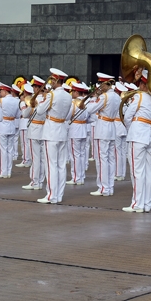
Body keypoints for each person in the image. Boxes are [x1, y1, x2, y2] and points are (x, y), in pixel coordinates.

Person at [122, 69, 151, 212]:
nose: (139, 86)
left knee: (136, 171)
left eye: (140, 83)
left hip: (138, 134)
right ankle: (147, 203)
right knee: (149, 171)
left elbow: (127, 116)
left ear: (144, 84)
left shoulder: (139, 97)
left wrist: (131, 128)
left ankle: (137, 204)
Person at [35, 69, 72, 204]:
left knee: (51, 165)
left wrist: (43, 98)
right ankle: (59, 195)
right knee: (61, 165)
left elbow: (39, 111)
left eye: (52, 80)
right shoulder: (68, 96)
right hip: (62, 130)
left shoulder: (51, 95)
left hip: (51, 131)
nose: (50, 82)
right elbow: (68, 115)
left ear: (56, 81)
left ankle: (51, 195)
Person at [84, 73, 119, 197]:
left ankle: (103, 187)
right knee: (110, 159)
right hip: (111, 127)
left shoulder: (104, 97)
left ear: (105, 84)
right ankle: (109, 187)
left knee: (101, 160)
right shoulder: (117, 96)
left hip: (102, 128)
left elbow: (89, 109)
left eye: (101, 84)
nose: (99, 86)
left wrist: (94, 99)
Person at [22, 79, 46, 191]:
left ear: (37, 88)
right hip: (44, 130)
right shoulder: (47, 99)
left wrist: (29, 106)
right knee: (42, 158)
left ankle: (34, 182)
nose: (33, 89)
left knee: (35, 158)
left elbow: (25, 114)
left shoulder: (34, 100)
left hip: (34, 130)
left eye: (34, 87)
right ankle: (40, 180)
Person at [0, 83, 20, 179]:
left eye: (1, 91)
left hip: (2, 126)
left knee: (2, 150)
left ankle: (2, 171)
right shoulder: (16, 101)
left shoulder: (1, 101)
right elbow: (18, 115)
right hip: (12, 125)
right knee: (10, 150)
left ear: (5, 91)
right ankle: (8, 171)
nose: (0, 93)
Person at [67, 81, 90, 185]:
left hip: (74, 130)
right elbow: (92, 117)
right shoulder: (87, 102)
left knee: (75, 155)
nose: (72, 93)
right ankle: (81, 176)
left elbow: (67, 116)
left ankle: (76, 177)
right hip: (83, 129)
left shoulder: (73, 103)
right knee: (81, 154)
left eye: (73, 91)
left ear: (76, 92)